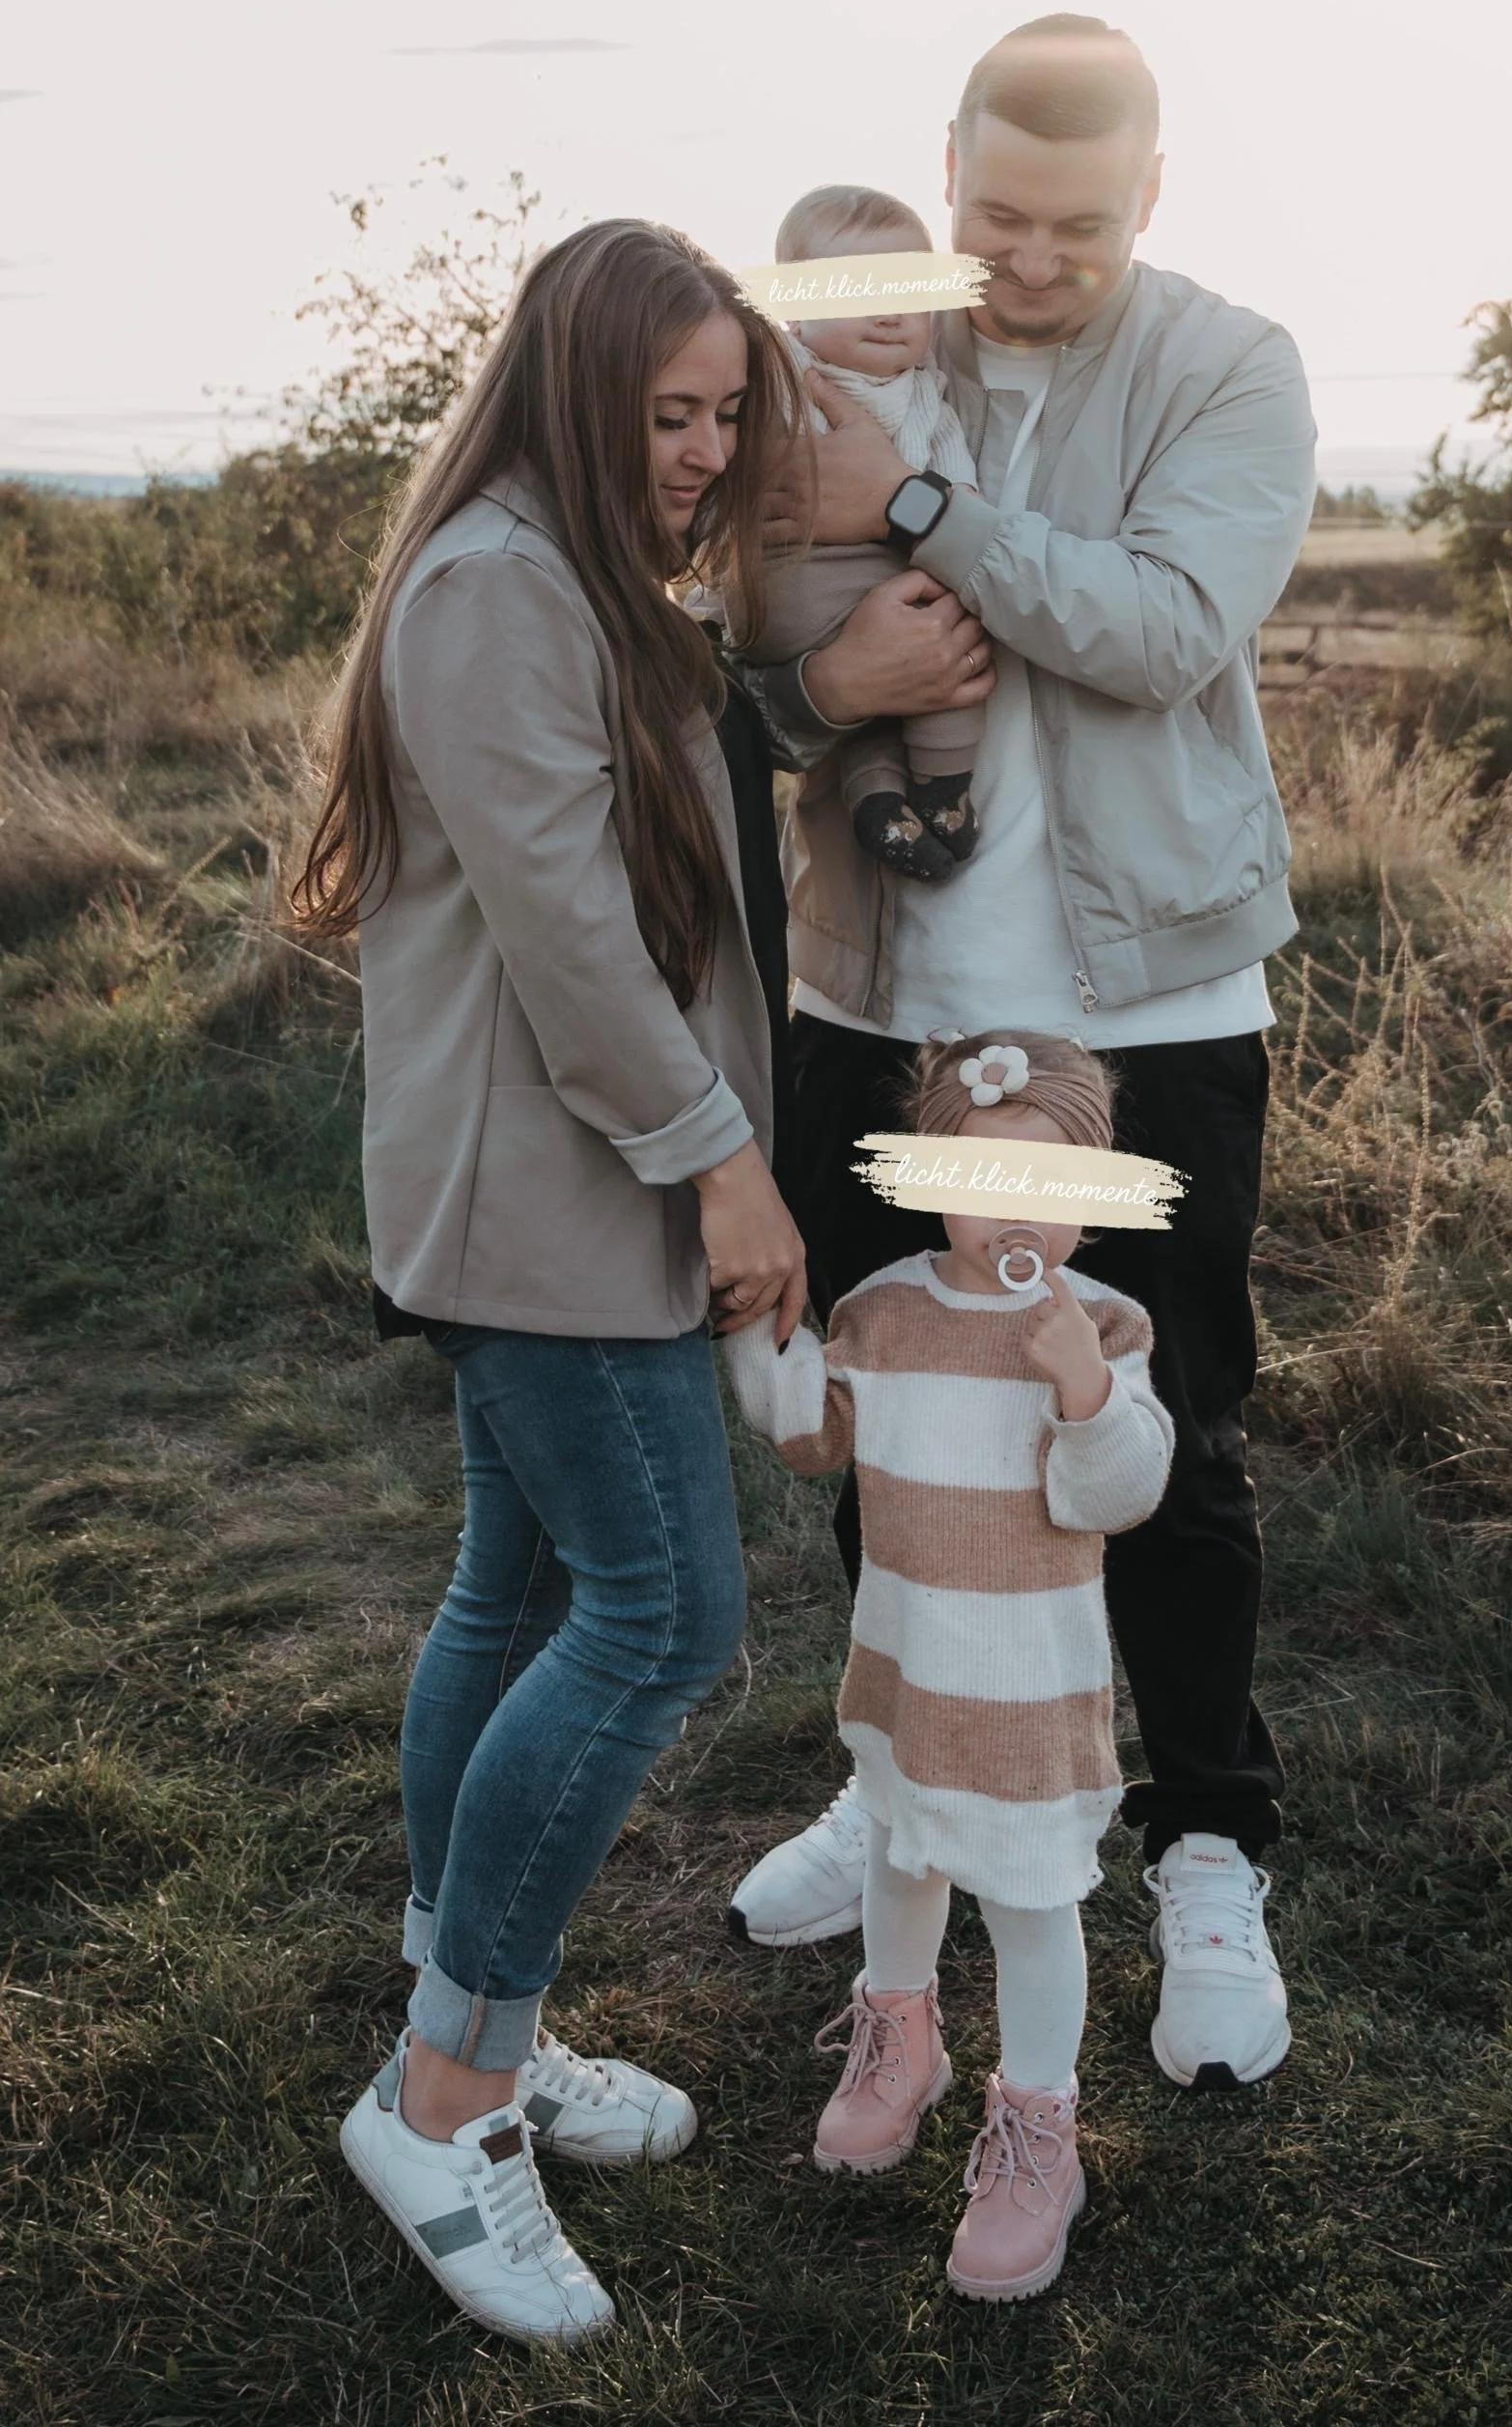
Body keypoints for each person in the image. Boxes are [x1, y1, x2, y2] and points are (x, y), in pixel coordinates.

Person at [728, 14, 1317, 2096]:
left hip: (1134, 1016)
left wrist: (908, 496)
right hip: (871, 998)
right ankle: (897, 1782)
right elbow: (736, 639)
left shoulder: (1228, 364)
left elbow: (1162, 629)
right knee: (886, 1394)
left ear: (1148, 200)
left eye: (1076, 224)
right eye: (994, 214)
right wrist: (821, 677)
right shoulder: (842, 317)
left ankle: (1207, 1840)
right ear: (943, 171)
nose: (1028, 257)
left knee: (1152, 1424)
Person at [291, 218, 810, 2345]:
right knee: (665, 1612)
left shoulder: (569, 572)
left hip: (546, 1185)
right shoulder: (499, 587)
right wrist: (730, 1178)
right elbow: (573, 942)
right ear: (569, 393)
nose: (695, 450)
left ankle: (466, 2002)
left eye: (718, 413)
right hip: (560, 1197)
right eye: (661, 411)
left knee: (514, 1589)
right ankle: (449, 2091)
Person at [725, 1031, 1174, 2300]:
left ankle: (1038, 2127)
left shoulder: (1105, 1326)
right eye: (987, 1177)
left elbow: (1123, 1491)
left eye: (1052, 1182)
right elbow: (811, 1434)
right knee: (900, 1849)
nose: (1016, 1210)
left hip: (1028, 1698)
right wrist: (763, 1337)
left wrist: (1083, 1390)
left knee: (1031, 1903)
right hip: (909, 1672)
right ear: (932, 1178)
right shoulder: (883, 1312)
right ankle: (897, 2035)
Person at [737, 183, 987, 883]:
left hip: (818, 604)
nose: (886, 312)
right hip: (804, 574)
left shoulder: (924, 388)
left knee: (889, 689)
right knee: (953, 633)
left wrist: (950, 505)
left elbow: (953, 474)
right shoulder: (786, 371)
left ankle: (880, 801)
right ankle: (944, 786)